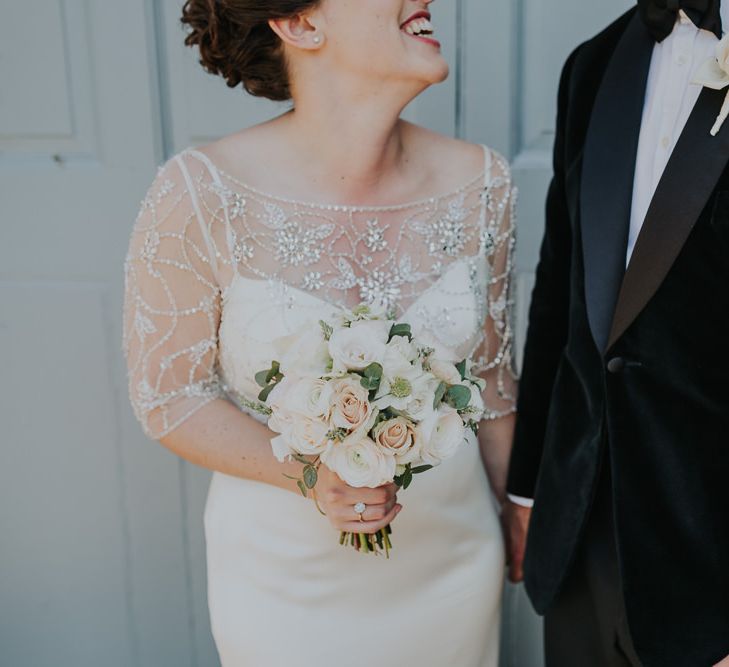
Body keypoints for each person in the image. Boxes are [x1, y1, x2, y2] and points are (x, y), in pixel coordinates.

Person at [123, 1, 518, 665]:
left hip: (452, 555)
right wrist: (310, 471)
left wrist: (520, 506)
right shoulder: (199, 191)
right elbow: (171, 396)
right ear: (300, 24)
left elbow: (491, 378)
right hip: (283, 576)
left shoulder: (482, 181)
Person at [503, 0, 729, 665]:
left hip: (710, 564)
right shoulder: (594, 65)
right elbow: (560, 291)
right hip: (579, 548)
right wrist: (528, 490)